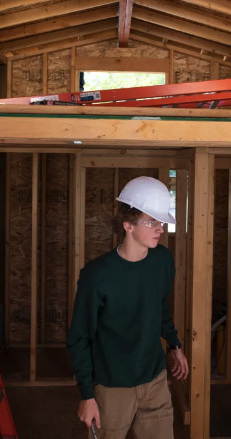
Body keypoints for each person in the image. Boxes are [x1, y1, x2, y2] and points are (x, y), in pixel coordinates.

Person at [67, 176, 189, 439]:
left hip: (154, 380)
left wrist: (175, 345)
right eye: (151, 222)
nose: (160, 228)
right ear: (128, 225)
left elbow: (159, 307)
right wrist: (87, 395)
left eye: (161, 222)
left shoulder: (162, 262)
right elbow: (79, 338)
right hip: (111, 387)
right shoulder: (97, 276)